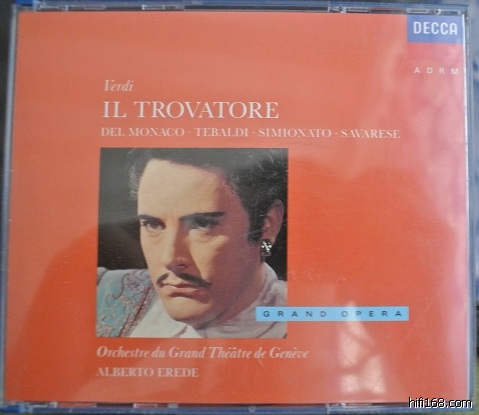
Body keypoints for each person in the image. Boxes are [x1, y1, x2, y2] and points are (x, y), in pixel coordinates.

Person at [96, 148, 287, 338]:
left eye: (202, 224)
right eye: (153, 225)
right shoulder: (102, 290)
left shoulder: (299, 319)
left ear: (267, 225)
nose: (169, 259)